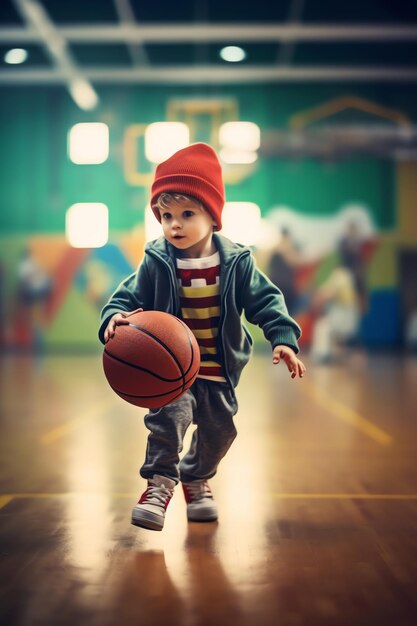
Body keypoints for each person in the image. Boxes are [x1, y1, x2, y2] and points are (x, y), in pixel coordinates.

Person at [98, 143, 306, 531]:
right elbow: (126, 296)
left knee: (220, 433)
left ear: (213, 215)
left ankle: (196, 477)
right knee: (167, 423)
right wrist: (114, 316)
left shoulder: (237, 262)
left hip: (218, 371)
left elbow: (266, 301)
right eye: (165, 216)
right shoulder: (157, 260)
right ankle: (159, 485)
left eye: (187, 214)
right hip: (171, 372)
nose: (174, 224)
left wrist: (282, 338)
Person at [309, 256, 361, 364]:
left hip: (343, 317)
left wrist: (317, 293)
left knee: (322, 326)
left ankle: (323, 355)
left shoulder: (340, 276)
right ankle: (331, 354)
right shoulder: (348, 277)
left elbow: (326, 294)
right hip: (347, 316)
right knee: (327, 329)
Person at [267, 227, 302, 316]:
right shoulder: (275, 251)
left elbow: (296, 263)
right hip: (277, 289)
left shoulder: (289, 252)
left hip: (287, 292)